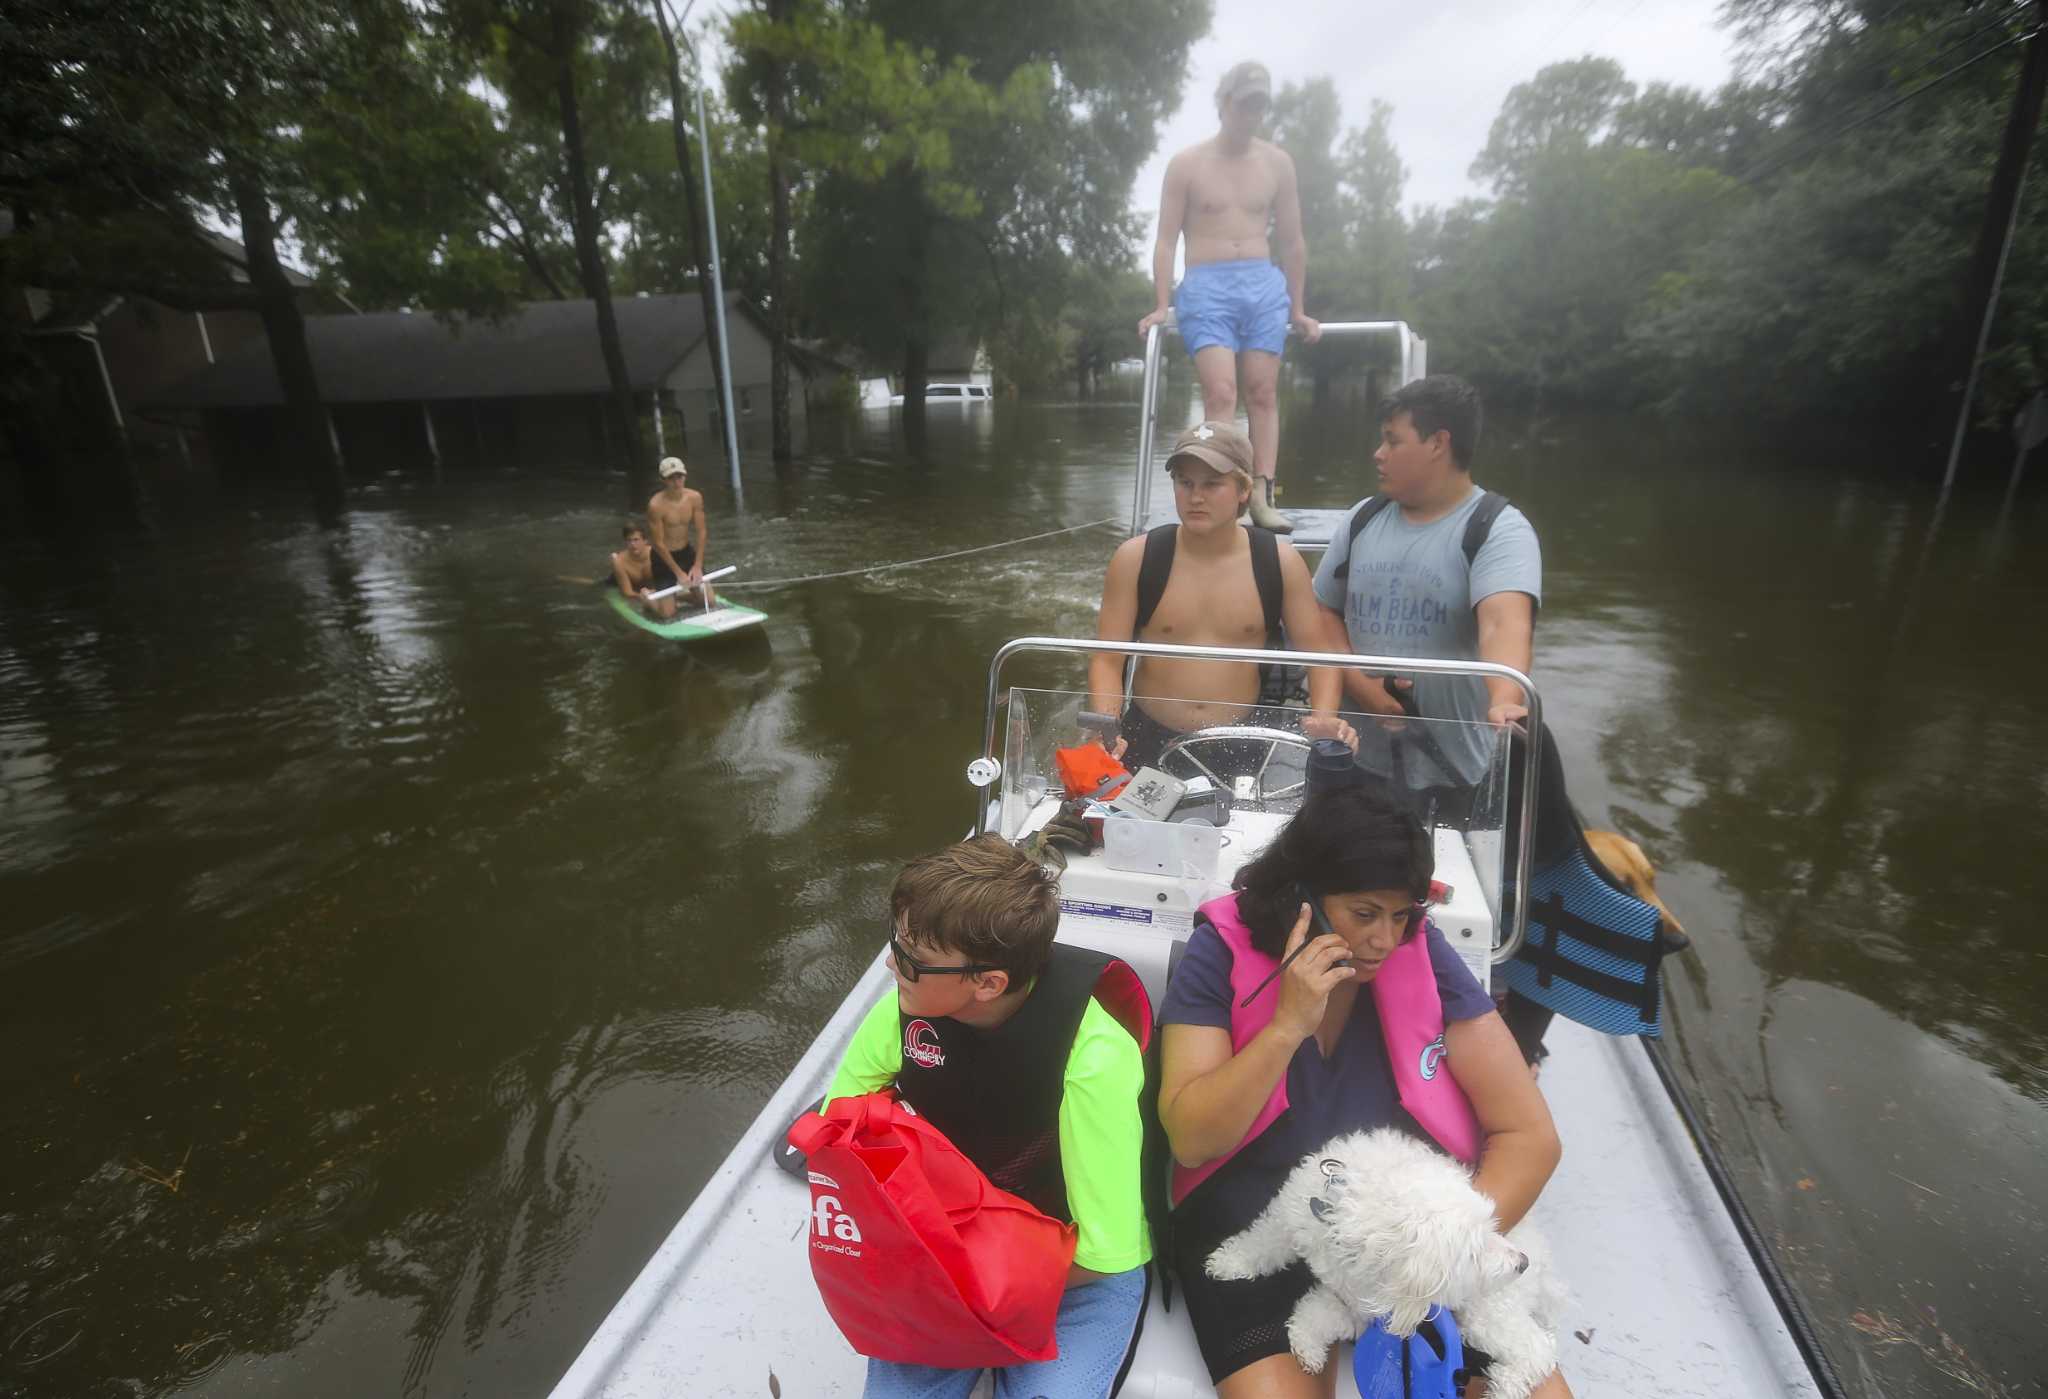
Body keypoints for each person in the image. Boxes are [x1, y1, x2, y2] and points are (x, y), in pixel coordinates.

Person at [1156, 783, 1570, 1397]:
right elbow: (1192, 1139)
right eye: (1365, 913)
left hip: (1408, 1233)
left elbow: (1530, 1137)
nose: (1385, 940)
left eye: (1401, 915)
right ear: (1303, 898)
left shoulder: (1419, 951)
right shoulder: (1219, 950)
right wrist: (1286, 1027)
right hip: (1260, 1229)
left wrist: (1432, 1262)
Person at [824, 835, 1152, 1398]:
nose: (890, 964)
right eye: (896, 943)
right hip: (945, 1253)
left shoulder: (1093, 1059)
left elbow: (1104, 1251)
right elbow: (838, 1132)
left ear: (987, 983)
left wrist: (975, 1297)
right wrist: (931, 1277)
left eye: (910, 959)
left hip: (1074, 1277)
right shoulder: (904, 1013)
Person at [1311, 375, 1540, 823]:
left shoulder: (1498, 529)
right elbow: (1323, 612)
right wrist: (1363, 687)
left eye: (1392, 441)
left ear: (1438, 443)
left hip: (1454, 771)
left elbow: (1504, 623)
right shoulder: (1362, 518)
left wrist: (1505, 696)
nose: (1378, 454)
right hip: (1354, 758)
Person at [1090, 421, 1353, 775]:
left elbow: (1319, 657)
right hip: (1146, 737)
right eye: (1185, 483)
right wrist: (1107, 726)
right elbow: (1108, 659)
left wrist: (1324, 720)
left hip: (1241, 739)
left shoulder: (1280, 562)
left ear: (1243, 489)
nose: (1196, 497)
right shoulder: (1136, 559)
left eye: (1212, 484)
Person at [1139, 60, 1321, 535]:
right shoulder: (1187, 164)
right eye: (1244, 105)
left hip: (1262, 282)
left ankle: (1260, 493)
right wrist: (1162, 303)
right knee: (1221, 392)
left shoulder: (1277, 163)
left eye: (1259, 105)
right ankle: (1215, 490)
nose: (1251, 114)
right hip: (1206, 284)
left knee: (1262, 390)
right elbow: (1165, 240)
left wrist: (1299, 308)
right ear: (1224, 104)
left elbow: (1294, 241)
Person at [647, 455, 714, 607]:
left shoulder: (695, 497)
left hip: (685, 552)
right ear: (663, 480)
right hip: (663, 557)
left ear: (685, 476)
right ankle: (648, 598)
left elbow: (701, 531)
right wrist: (678, 573)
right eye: (671, 478)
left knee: (709, 602)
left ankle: (678, 597)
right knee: (668, 614)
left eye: (680, 476)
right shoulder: (655, 505)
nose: (677, 482)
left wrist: (697, 565)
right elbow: (657, 543)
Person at [608, 522, 679, 619]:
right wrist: (643, 596)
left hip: (650, 589)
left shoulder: (655, 555)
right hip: (617, 582)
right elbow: (627, 592)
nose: (633, 544)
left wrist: (656, 593)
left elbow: (669, 579)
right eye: (629, 541)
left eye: (636, 540)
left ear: (645, 541)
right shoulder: (620, 562)